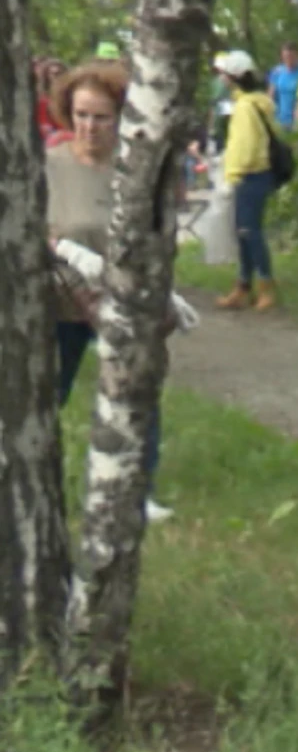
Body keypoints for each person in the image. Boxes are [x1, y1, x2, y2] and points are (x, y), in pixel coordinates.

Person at [43, 61, 171, 523]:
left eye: (100, 117)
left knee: (135, 396)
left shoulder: (132, 171)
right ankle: (38, 481)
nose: (89, 126)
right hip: (61, 303)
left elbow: (153, 237)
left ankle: (139, 489)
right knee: (47, 394)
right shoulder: (49, 165)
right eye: (81, 115)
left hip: (123, 304)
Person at [212, 51, 282, 312]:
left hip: (250, 175)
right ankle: (243, 286)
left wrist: (232, 175)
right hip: (254, 174)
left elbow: (246, 146)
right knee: (243, 232)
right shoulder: (256, 102)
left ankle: (265, 286)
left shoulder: (245, 107)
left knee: (250, 232)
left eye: (226, 75)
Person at [267, 42, 298, 130]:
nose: (288, 59)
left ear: (297, 56)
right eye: (285, 57)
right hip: (279, 119)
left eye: (291, 57)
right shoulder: (277, 72)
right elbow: (271, 95)